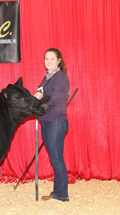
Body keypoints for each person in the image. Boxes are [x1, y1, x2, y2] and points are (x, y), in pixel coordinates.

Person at [34, 48, 70, 202]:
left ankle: (62, 194)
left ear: (59, 61)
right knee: (55, 158)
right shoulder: (47, 77)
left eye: (52, 59)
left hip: (56, 121)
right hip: (47, 121)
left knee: (56, 158)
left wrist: (42, 96)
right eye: (46, 59)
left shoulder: (60, 77)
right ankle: (57, 192)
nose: (49, 62)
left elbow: (56, 98)